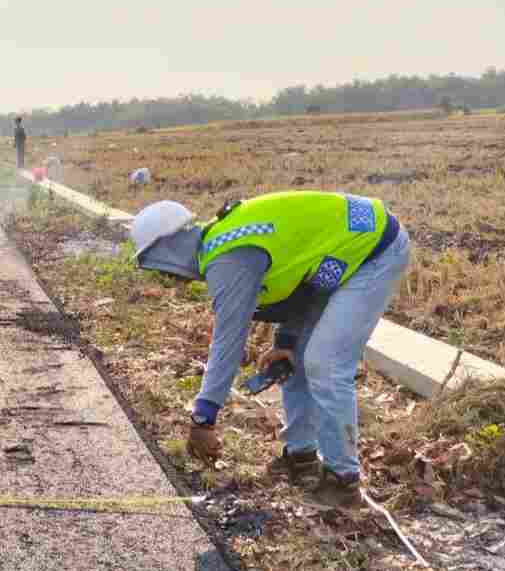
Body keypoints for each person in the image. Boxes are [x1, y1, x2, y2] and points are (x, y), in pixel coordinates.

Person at [129, 191, 410, 509]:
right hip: (340, 260)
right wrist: (286, 342)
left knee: (325, 364)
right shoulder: (221, 242)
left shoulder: (229, 257)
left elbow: (228, 343)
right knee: (295, 361)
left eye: (158, 266)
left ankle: (342, 483)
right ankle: (301, 457)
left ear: (168, 247)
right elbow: (303, 279)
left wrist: (203, 419)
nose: (165, 277)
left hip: (374, 251)